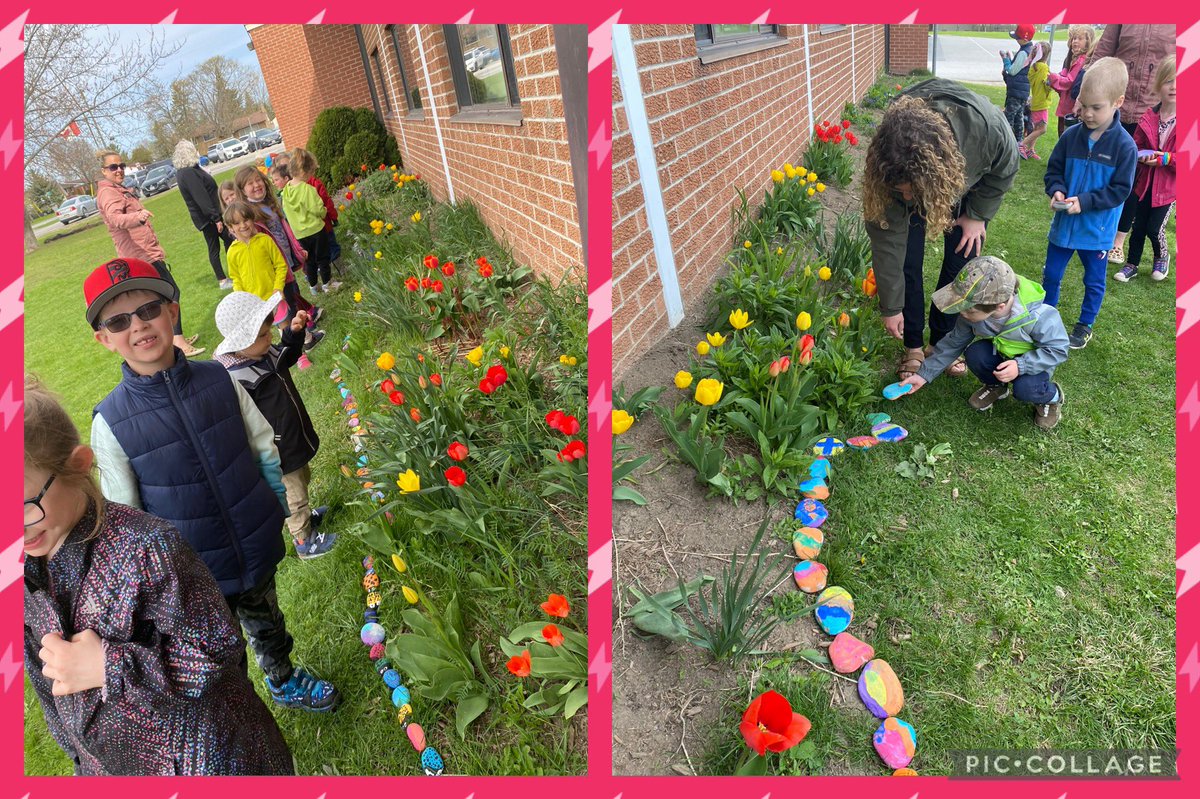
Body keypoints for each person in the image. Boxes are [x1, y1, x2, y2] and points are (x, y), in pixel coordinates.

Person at [84, 257, 341, 712]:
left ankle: (281, 677)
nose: (139, 326)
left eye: (149, 310)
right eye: (119, 320)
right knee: (215, 653)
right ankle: (238, 710)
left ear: (173, 312)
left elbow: (263, 445)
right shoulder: (111, 422)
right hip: (191, 574)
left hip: (252, 541)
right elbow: (125, 515)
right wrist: (158, 578)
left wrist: (273, 507)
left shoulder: (220, 380)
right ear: (103, 339)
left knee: (267, 621)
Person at [23, 375, 294, 775]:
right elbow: (49, 686)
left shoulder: (148, 548)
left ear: (78, 465)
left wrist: (108, 666)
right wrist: (83, 761)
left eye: (24, 505)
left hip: (214, 759)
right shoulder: (23, 578)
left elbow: (217, 648)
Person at [862, 79, 1019, 380]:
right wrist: (891, 306)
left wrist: (977, 215)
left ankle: (942, 342)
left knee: (961, 260)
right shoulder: (891, 155)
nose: (908, 200)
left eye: (911, 193)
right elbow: (887, 241)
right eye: (902, 192)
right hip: (921, 174)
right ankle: (913, 347)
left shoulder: (986, 131)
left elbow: (1006, 167)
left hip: (960, 174)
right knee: (908, 257)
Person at [213, 292, 337, 559]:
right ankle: (304, 541)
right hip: (277, 448)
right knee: (293, 495)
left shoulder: (262, 351)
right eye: (262, 336)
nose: (269, 338)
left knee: (302, 479)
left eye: (269, 331)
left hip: (293, 436)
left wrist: (292, 335)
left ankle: (305, 518)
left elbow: (286, 358)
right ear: (240, 343)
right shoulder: (237, 379)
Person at [896, 257, 1069, 430]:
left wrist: (1021, 366)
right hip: (1001, 355)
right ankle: (996, 386)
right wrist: (924, 374)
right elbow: (953, 343)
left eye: (967, 309)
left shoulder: (1039, 316)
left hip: (1034, 365)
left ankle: (1051, 398)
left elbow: (1058, 349)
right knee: (975, 353)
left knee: (1024, 389)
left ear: (1000, 306)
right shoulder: (973, 313)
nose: (961, 313)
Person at [1041, 57, 1137, 349]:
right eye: (1084, 105)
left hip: (1097, 232)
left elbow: (1120, 190)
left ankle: (1085, 324)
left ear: (1118, 102)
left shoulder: (1124, 147)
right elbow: (1053, 171)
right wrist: (1056, 190)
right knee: (1052, 274)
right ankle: (1047, 318)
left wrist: (1084, 201)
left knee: (1093, 280)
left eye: (1097, 107)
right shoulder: (1070, 137)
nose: (1088, 114)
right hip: (1064, 227)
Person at [94, 150, 203, 356]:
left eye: (121, 166)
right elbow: (116, 218)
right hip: (140, 256)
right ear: (103, 171)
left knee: (165, 295)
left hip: (146, 252)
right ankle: (177, 341)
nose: (119, 170)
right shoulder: (109, 192)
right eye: (113, 167)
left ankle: (174, 338)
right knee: (170, 294)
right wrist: (138, 216)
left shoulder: (117, 189)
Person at [1083, 25, 1175, 266]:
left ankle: (1118, 240)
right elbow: (1104, 50)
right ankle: (1094, 227)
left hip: (1150, 113)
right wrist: (1086, 96)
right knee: (1101, 170)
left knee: (1133, 181)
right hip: (1114, 108)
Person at [223, 200, 324, 352]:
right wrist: (241, 298)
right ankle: (271, 356)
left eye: (246, 220)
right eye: (237, 223)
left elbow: (280, 265)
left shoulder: (265, 240)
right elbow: (236, 278)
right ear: (230, 228)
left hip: (274, 297)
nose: (243, 225)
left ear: (252, 220)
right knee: (263, 333)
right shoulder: (232, 252)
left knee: (286, 325)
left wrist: (278, 288)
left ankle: (299, 353)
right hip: (254, 302)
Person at [234, 165, 323, 326]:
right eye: (250, 183)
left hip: (285, 257)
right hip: (275, 264)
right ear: (242, 190)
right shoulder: (249, 215)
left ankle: (306, 319)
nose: (256, 185)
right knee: (288, 297)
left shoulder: (269, 203)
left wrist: (297, 248)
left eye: (258, 180)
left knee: (292, 291)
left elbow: (285, 229)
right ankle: (303, 330)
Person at [1114, 56, 1176, 283]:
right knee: (1138, 226)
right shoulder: (1149, 117)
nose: (1174, 86)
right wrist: (1142, 156)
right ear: (1159, 84)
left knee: (1153, 227)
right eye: (1169, 81)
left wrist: (1166, 158)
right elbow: (1136, 145)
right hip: (1144, 184)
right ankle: (1132, 264)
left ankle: (1162, 257)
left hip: (1167, 189)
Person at [173, 140, 234, 290]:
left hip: (209, 215)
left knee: (226, 241)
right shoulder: (188, 173)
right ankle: (223, 279)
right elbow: (201, 197)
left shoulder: (189, 170)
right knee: (220, 244)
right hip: (208, 217)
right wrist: (216, 218)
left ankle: (231, 273)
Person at [271, 161, 339, 294]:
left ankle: (313, 287)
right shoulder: (307, 188)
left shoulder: (285, 193)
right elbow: (316, 209)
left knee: (309, 261)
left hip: (300, 234)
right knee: (322, 257)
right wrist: (324, 211)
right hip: (315, 230)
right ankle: (327, 284)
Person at [288, 148, 343, 268]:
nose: (313, 175)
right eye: (312, 172)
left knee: (315, 253)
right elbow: (326, 202)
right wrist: (333, 216)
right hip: (322, 226)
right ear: (305, 172)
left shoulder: (288, 190)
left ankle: (323, 270)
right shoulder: (313, 185)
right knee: (332, 246)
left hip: (303, 232)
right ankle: (339, 268)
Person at [1048, 25, 1095, 137]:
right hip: (1065, 105)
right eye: (1074, 38)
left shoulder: (1081, 60)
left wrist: (1052, 77)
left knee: (1066, 136)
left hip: (1071, 107)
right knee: (1062, 134)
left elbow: (1069, 81)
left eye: (1080, 38)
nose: (1075, 41)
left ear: (1088, 41)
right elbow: (1063, 75)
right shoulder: (1072, 58)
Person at [1000, 24, 1036, 143]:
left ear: (1025, 38)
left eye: (1017, 37)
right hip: (1022, 91)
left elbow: (1012, 71)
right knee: (1019, 117)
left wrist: (1005, 59)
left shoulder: (1023, 52)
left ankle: (1006, 142)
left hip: (1016, 91)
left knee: (1009, 117)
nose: (1016, 39)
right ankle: (1019, 142)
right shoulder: (1029, 50)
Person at [1020, 42, 1053, 159]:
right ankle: (1021, 145)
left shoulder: (1033, 67)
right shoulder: (1043, 67)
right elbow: (1046, 83)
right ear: (1047, 55)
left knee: (1036, 128)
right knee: (1042, 129)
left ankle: (1030, 150)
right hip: (1042, 102)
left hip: (1035, 102)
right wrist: (1052, 82)